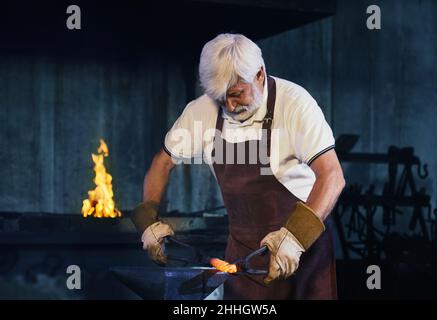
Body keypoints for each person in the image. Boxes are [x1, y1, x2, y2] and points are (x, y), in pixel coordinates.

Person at [131, 33, 345, 299]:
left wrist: (296, 238)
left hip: (301, 251)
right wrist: (148, 220)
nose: (229, 106)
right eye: (221, 99)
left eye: (236, 94)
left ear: (259, 74)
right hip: (243, 257)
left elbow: (332, 176)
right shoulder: (202, 111)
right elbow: (162, 162)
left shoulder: (295, 104)